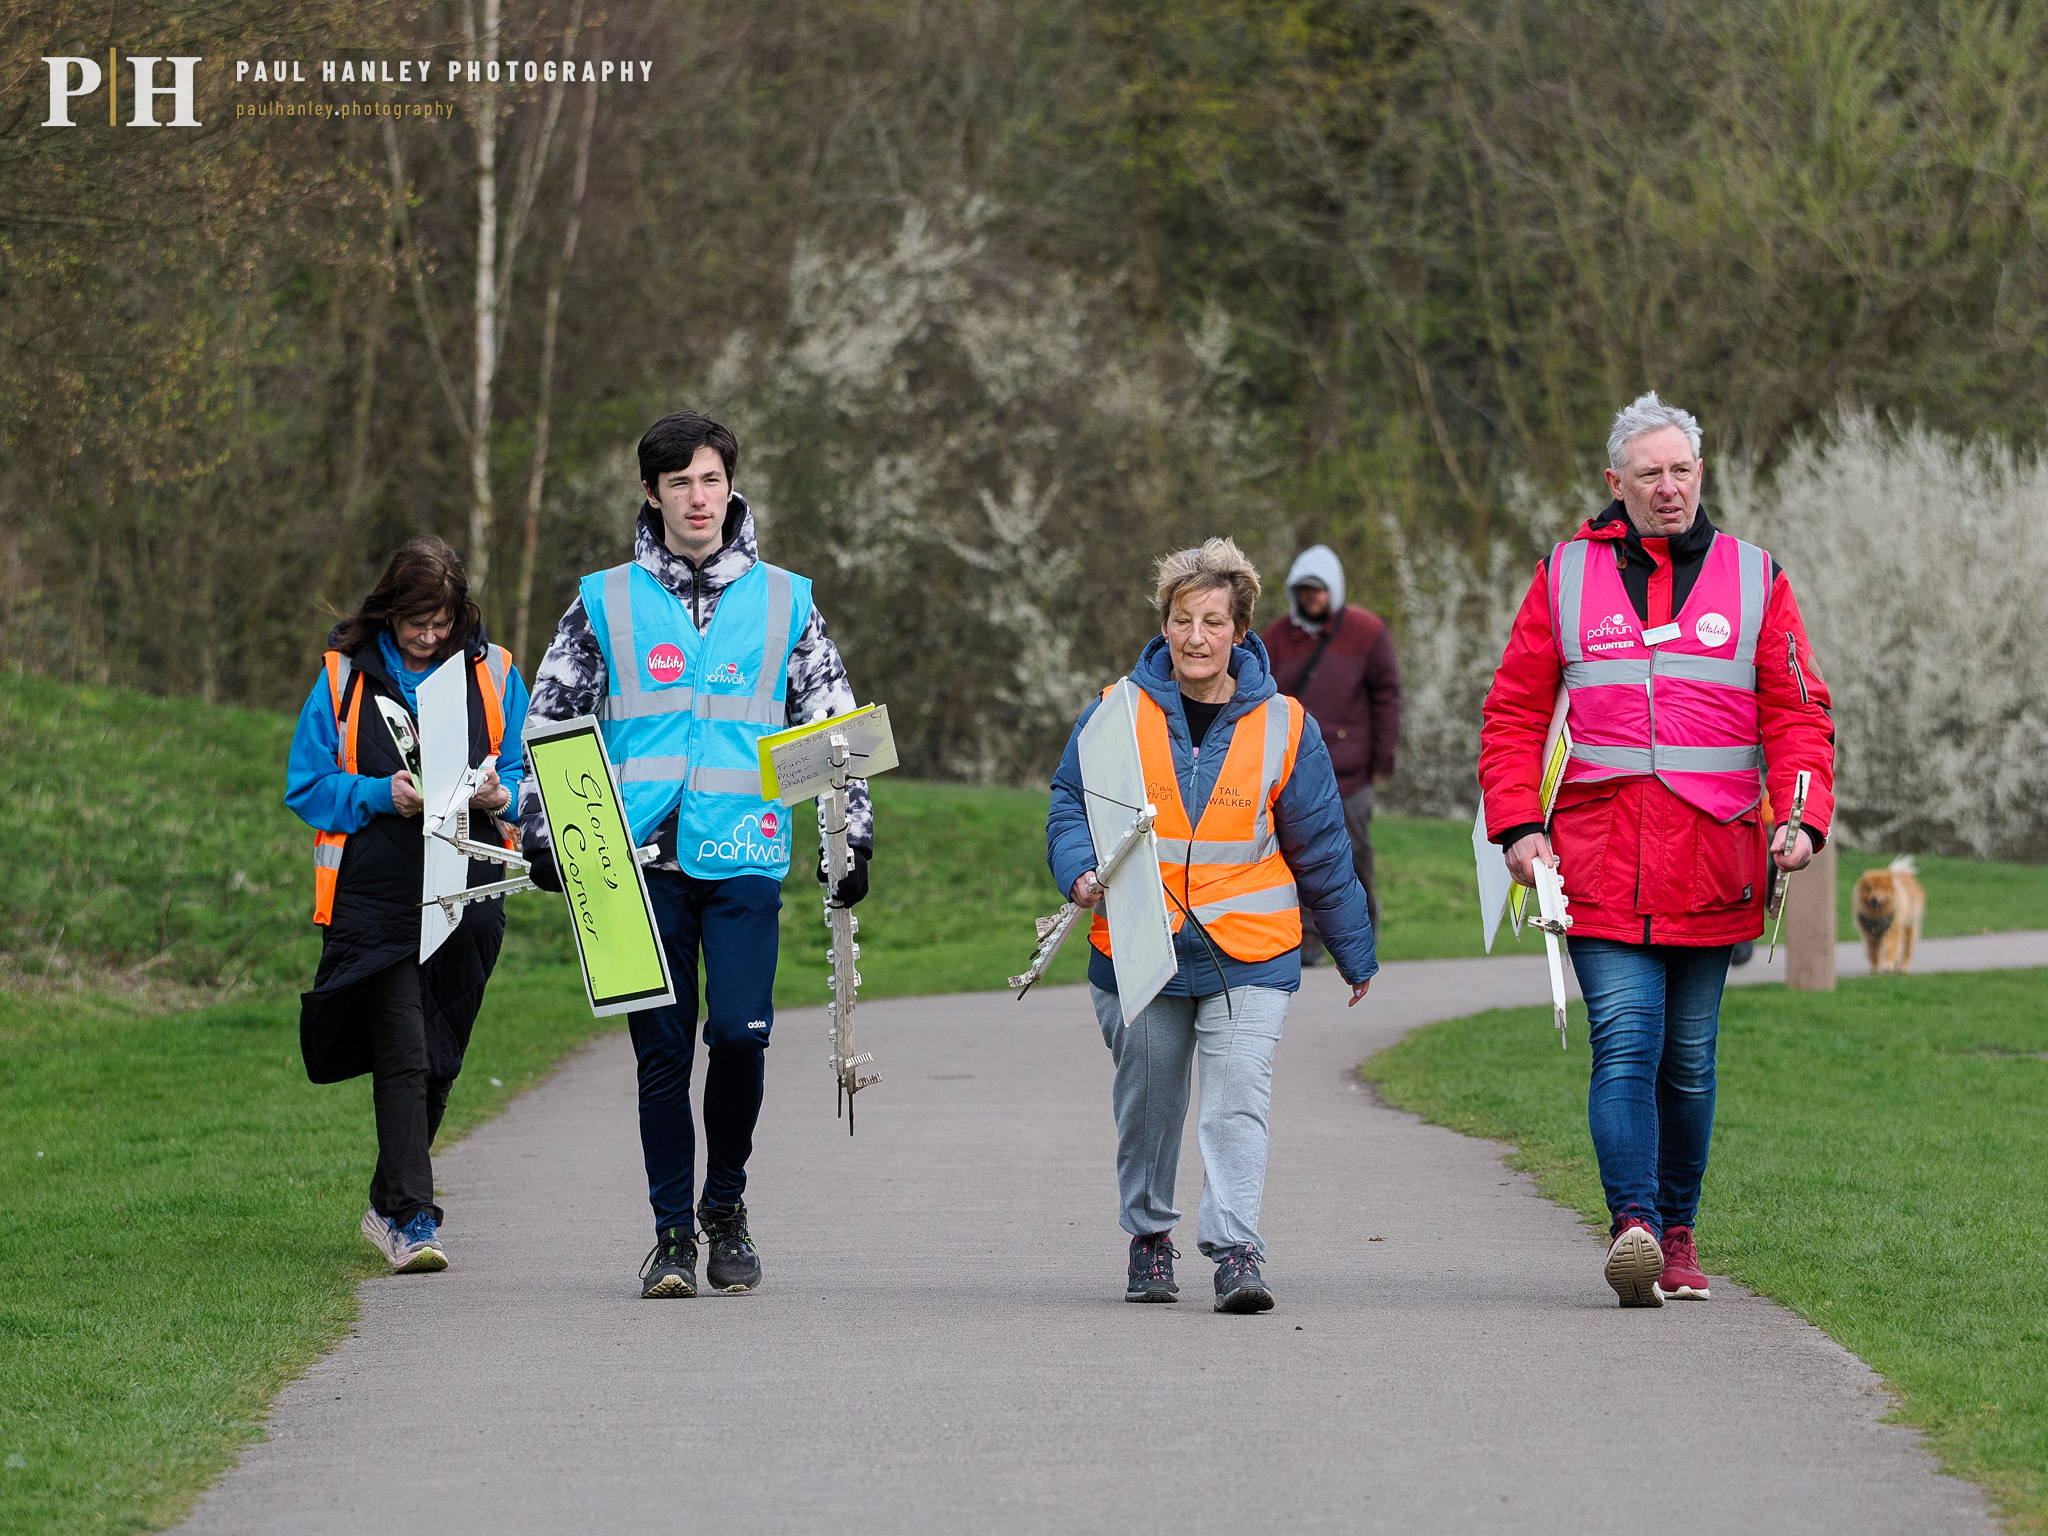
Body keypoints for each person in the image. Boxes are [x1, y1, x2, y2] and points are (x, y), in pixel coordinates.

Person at [1478, 392, 1835, 1307]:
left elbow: (1800, 713)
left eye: (1682, 471)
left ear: (1701, 475)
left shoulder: (1759, 579)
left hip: (1715, 861)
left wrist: (1801, 817)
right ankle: (1632, 1225)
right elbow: (1514, 712)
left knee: (1691, 1060)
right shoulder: (1562, 575)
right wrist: (1518, 828)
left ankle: (1679, 1235)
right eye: (1650, 474)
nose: (1669, 488)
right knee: (1626, 1043)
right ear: (1616, 484)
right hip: (1592, 861)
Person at [521, 410, 872, 1299]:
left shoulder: (788, 598)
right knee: (663, 1056)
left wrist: (850, 832)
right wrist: (541, 826)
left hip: (747, 851)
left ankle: (727, 1206)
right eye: (678, 482)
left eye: (710, 479)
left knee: (740, 1039)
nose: (697, 497)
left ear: (731, 486)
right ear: (653, 494)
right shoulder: (602, 599)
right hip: (634, 864)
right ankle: (672, 1235)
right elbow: (554, 718)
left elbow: (833, 726)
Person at [1047, 537, 1377, 1314]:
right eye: (1183, 620)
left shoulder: (1285, 725)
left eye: (1214, 621)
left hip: (1250, 950)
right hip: (1139, 945)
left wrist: (1355, 950)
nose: (1197, 637)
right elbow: (1070, 804)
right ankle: (1150, 1239)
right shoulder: (1113, 712)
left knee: (1236, 1102)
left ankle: (1236, 1249)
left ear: (1241, 629)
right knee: (1151, 1105)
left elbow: (1323, 846)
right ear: (1163, 625)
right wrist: (1079, 871)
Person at [285, 536, 529, 1274]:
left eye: (443, 621)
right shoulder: (340, 680)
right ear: (389, 610)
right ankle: (415, 1220)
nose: (429, 635)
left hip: (471, 890)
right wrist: (377, 794)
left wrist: (503, 794)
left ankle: (389, 1200)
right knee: (402, 1049)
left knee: (441, 1057)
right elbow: (307, 786)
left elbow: (524, 769)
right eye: (416, 621)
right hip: (375, 894)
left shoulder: (497, 673)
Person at [1261, 544, 1401, 945]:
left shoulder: (1367, 632)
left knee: (1354, 855)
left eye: (1318, 590)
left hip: (1352, 773)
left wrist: (1382, 760)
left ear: (1333, 590)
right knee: (1297, 857)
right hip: (1296, 773)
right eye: (1304, 591)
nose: (1311, 598)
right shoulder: (1278, 638)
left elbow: (1387, 696)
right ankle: (1305, 940)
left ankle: (1360, 935)